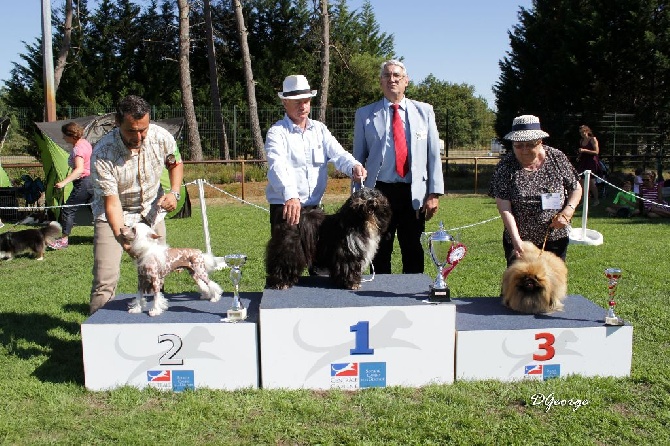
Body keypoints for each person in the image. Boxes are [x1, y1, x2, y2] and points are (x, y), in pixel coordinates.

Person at [89, 95, 184, 314]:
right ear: (117, 122)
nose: (139, 136)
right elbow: (111, 203)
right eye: (132, 131)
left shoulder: (162, 137)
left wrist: (174, 192)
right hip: (113, 214)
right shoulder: (103, 153)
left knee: (155, 275)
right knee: (105, 281)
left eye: (144, 129)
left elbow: (175, 163)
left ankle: (155, 332)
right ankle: (97, 339)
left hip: (152, 213)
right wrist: (122, 237)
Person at [353, 59, 444, 274]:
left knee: (412, 247)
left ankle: (412, 297)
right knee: (380, 249)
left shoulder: (425, 112)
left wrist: (433, 193)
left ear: (406, 82)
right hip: (378, 192)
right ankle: (378, 296)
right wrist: (357, 198)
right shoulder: (365, 114)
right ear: (380, 81)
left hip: (413, 192)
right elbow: (358, 159)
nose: (391, 79)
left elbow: (433, 156)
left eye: (396, 76)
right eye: (387, 76)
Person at [265, 74, 366, 228]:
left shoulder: (320, 129)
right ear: (284, 102)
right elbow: (277, 167)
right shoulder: (276, 132)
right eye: (297, 102)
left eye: (306, 101)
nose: (303, 106)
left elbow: (339, 154)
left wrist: (354, 166)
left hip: (314, 211)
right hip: (286, 209)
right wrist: (291, 196)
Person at [489, 115, 582, 266]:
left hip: (555, 239)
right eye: (518, 146)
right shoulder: (505, 166)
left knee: (551, 284)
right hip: (520, 242)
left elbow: (576, 188)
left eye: (530, 144)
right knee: (519, 286)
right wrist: (516, 240)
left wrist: (567, 212)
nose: (524, 150)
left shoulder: (557, 158)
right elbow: (504, 207)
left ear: (540, 142)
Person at [47, 122, 94, 249]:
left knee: (68, 209)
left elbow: (79, 169)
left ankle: (63, 241)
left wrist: (63, 182)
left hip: (84, 183)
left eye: (64, 135)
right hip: (93, 181)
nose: (63, 138)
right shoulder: (86, 143)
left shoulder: (78, 149)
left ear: (71, 135)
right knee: (95, 210)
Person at [575, 124, 600, 206]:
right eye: (580, 132)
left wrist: (584, 150)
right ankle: (585, 201)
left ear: (587, 131)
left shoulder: (593, 139)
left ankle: (596, 200)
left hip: (591, 162)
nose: (582, 134)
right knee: (581, 182)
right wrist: (579, 156)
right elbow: (582, 152)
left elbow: (596, 152)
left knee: (591, 182)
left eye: (583, 132)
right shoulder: (581, 141)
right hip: (583, 161)